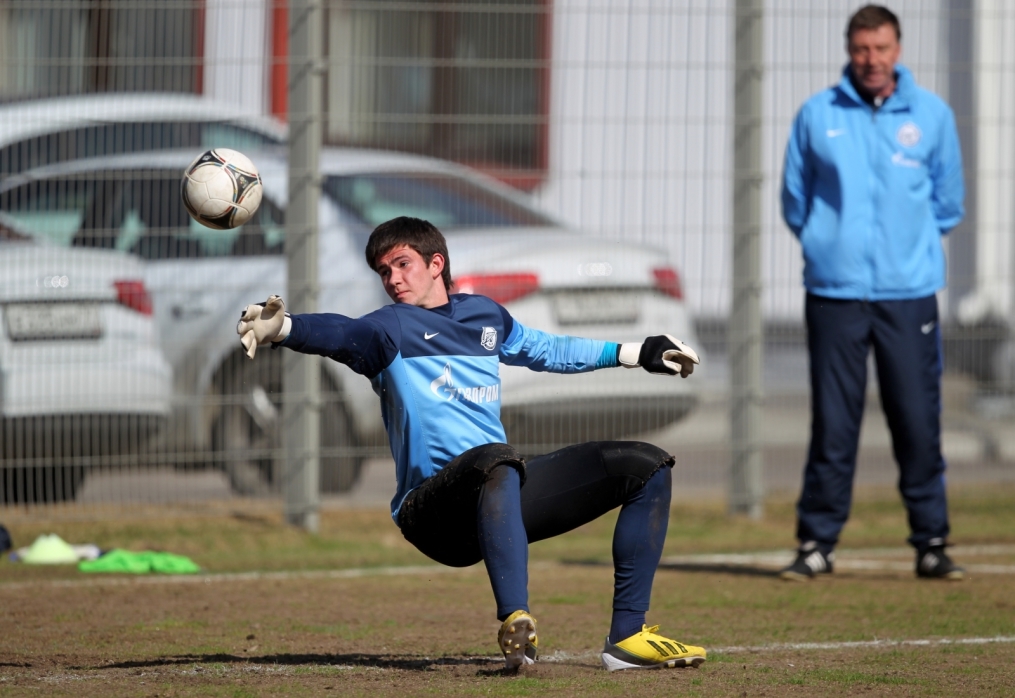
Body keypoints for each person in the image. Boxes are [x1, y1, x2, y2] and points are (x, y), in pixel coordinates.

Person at [236, 216, 707, 671]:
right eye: (383, 271)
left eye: (402, 264)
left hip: (498, 492)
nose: (392, 279)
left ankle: (627, 638)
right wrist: (284, 328)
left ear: (436, 263)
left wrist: (635, 352)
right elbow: (343, 333)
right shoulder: (388, 329)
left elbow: (549, 350)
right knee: (497, 459)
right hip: (432, 513)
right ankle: (516, 622)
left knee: (646, 466)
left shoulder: (484, 315)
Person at [779, 5, 965, 582]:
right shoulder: (818, 114)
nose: (871, 59)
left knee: (916, 417)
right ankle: (817, 542)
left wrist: (905, 251)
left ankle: (931, 541)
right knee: (834, 423)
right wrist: (827, 243)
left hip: (908, 294)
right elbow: (795, 200)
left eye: (881, 48)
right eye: (862, 49)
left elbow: (948, 203)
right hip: (834, 293)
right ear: (849, 51)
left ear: (898, 50)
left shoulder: (931, 115)